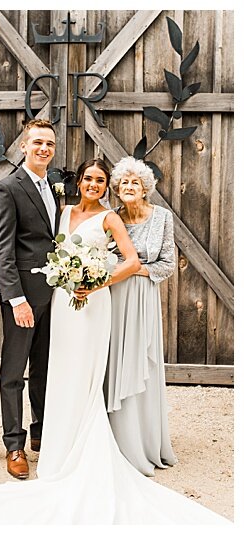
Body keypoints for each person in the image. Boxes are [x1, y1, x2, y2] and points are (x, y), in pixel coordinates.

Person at [0, 158, 225, 524]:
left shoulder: (110, 218)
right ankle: (56, 441)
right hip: (62, 302)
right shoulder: (63, 210)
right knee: (59, 369)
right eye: (88, 178)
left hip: (91, 302)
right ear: (80, 182)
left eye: (100, 180)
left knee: (87, 373)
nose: (93, 184)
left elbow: (133, 260)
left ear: (107, 187)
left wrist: (95, 283)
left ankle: (84, 444)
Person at [0, 118, 60, 479]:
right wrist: (16, 299)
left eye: (49, 143)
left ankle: (41, 434)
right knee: (14, 372)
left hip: (54, 297)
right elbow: (2, 251)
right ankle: (13, 444)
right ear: (24, 147)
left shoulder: (53, 186)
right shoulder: (7, 188)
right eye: (37, 143)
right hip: (23, 299)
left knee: (44, 370)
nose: (43, 148)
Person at [107, 157, 178, 476]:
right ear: (117, 189)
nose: (129, 187)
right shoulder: (112, 218)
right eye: (124, 183)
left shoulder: (162, 217)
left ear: (146, 187)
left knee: (142, 362)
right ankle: (117, 439)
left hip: (143, 296)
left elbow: (167, 263)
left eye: (135, 182)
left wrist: (137, 270)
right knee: (114, 361)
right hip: (114, 298)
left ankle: (146, 442)